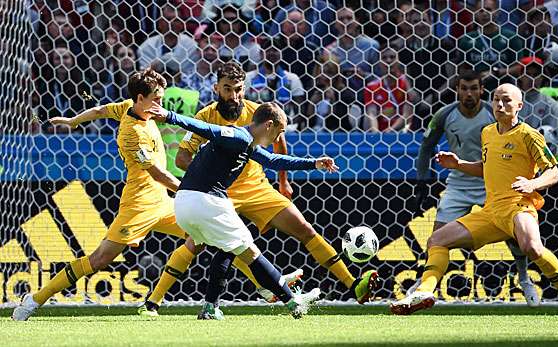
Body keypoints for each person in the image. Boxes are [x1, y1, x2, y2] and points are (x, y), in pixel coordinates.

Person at [138, 62, 379, 319]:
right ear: (216, 88)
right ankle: (155, 301)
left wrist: (293, 176)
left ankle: (351, 284)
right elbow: (184, 157)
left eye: (238, 89)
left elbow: (275, 156)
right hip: (217, 195)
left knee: (302, 230)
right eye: (227, 89)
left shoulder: (259, 114)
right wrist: (205, 165)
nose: (233, 95)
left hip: (254, 190)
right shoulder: (212, 119)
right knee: (208, 246)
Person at [390, 83, 558, 317]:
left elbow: (554, 172)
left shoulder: (529, 135)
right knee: (437, 239)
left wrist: (532, 184)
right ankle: (424, 291)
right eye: (496, 99)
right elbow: (488, 168)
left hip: (518, 205)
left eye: (506, 100)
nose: (500, 104)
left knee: (532, 248)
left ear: (519, 106)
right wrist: (459, 164)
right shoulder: (487, 132)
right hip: (491, 210)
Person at [12, 69, 190, 320]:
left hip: (162, 202)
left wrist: (73, 120)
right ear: (141, 98)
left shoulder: (128, 106)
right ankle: (35, 299)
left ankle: (153, 304)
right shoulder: (132, 134)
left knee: (205, 234)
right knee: (99, 260)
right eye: (156, 99)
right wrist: (189, 191)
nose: (161, 105)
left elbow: (99, 111)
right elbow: (157, 174)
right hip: (138, 206)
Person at [146, 102, 332, 318]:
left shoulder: (247, 144)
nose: (277, 139)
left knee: (227, 249)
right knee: (251, 252)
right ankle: (292, 302)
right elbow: (205, 128)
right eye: (279, 133)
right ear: (268, 125)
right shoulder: (237, 136)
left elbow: (273, 160)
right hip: (205, 201)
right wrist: (169, 115)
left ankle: (210, 307)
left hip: (186, 203)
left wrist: (314, 164)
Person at [413, 70, 539, 306]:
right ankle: (425, 283)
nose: (468, 93)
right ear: (457, 89)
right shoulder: (444, 114)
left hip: (491, 183)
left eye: (473, 88)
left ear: (482, 91)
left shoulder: (493, 116)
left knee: (514, 232)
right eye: (463, 88)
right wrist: (422, 181)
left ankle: (523, 277)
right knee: (437, 237)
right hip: (458, 182)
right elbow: (425, 147)